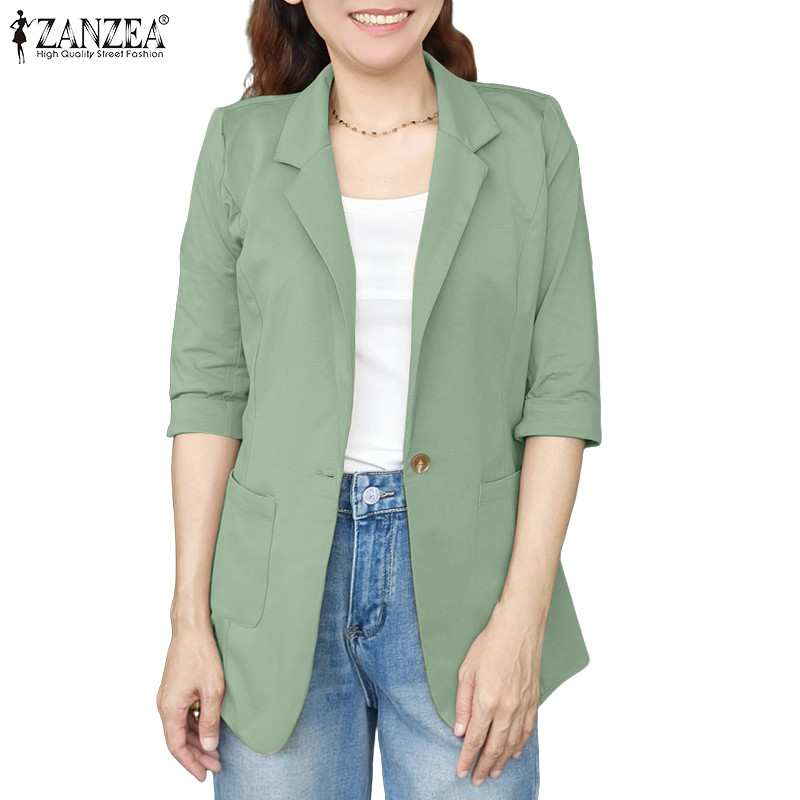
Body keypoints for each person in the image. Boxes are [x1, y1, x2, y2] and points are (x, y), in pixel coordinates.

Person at [156, 1, 602, 797]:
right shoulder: (239, 147)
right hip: (273, 605)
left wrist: (522, 619)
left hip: (473, 600)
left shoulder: (530, 137)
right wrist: (189, 619)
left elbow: (562, 394)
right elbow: (210, 392)